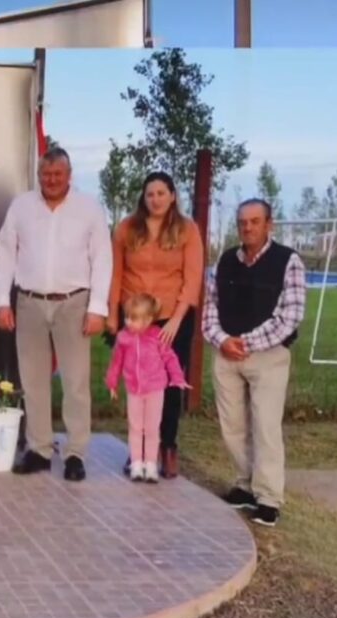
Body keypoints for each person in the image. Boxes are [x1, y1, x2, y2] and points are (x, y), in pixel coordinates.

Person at [0, 146, 112, 481]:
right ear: (39, 174)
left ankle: (75, 453)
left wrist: (98, 307)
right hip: (29, 301)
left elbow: (103, 258)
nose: (52, 180)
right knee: (32, 380)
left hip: (74, 302)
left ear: (69, 175)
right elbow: (5, 253)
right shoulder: (22, 207)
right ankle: (39, 449)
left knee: (75, 382)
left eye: (58, 174)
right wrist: (2, 300)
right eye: (46, 174)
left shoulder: (88, 209)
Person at [203, 198, 306, 527]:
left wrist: (246, 343)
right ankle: (245, 485)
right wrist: (222, 340)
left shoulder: (288, 261)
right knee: (232, 425)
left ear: (269, 224)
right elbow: (210, 307)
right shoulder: (226, 262)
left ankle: (268, 497)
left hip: (267, 356)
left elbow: (290, 317)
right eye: (242, 222)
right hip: (227, 353)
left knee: (265, 426)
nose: (247, 228)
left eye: (255, 221)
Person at [107, 171, 203, 479]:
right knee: (136, 385)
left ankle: (167, 447)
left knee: (168, 386)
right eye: (150, 194)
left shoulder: (187, 230)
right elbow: (116, 274)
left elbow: (193, 277)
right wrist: (113, 314)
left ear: (173, 195)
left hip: (170, 320)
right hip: (135, 319)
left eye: (162, 193)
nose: (156, 199)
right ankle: (138, 452)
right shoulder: (126, 228)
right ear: (143, 197)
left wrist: (176, 320)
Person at [105, 293, 190, 483]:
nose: (128, 322)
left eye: (133, 318)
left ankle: (150, 463)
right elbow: (116, 362)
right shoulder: (123, 338)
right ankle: (136, 463)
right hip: (134, 389)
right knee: (135, 427)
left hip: (155, 389)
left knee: (152, 428)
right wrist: (112, 382)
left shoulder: (157, 337)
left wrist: (177, 377)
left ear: (148, 319)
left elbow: (170, 358)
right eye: (127, 317)